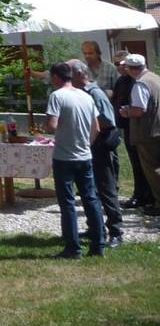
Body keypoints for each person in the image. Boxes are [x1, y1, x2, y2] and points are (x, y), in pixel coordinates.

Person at [46, 61, 104, 258]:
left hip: (64, 156)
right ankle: (98, 244)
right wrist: (87, 144)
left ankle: (73, 247)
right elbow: (96, 127)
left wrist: (55, 126)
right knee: (91, 199)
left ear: (55, 77)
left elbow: (52, 125)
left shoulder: (57, 96)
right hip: (85, 154)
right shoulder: (85, 96)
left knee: (68, 203)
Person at [69, 59, 123, 247]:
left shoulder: (95, 93)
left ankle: (116, 231)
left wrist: (89, 130)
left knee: (106, 189)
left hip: (101, 146)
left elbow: (108, 121)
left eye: (69, 74)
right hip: (89, 147)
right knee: (89, 189)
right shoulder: (81, 93)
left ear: (79, 74)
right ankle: (95, 227)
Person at [116, 53, 160, 216]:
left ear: (130, 68)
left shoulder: (140, 84)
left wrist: (127, 111)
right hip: (157, 128)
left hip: (148, 132)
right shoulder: (155, 78)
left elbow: (139, 110)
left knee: (153, 169)